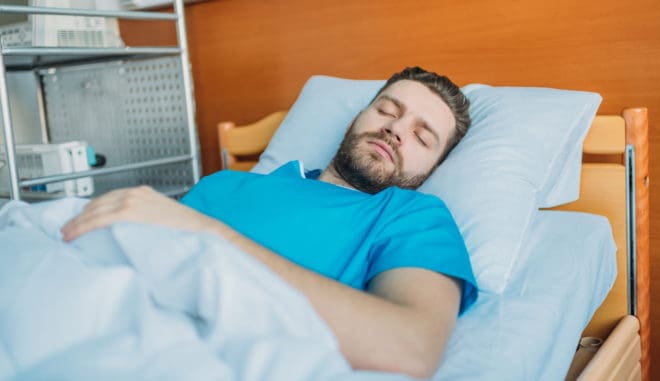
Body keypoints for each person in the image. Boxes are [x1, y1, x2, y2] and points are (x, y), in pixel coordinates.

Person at [61, 67, 477, 378]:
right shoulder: (224, 184)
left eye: (423, 138)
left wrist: (210, 234)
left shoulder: (413, 217)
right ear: (357, 117)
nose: (394, 130)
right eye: (387, 110)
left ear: (433, 168)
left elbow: (411, 347)